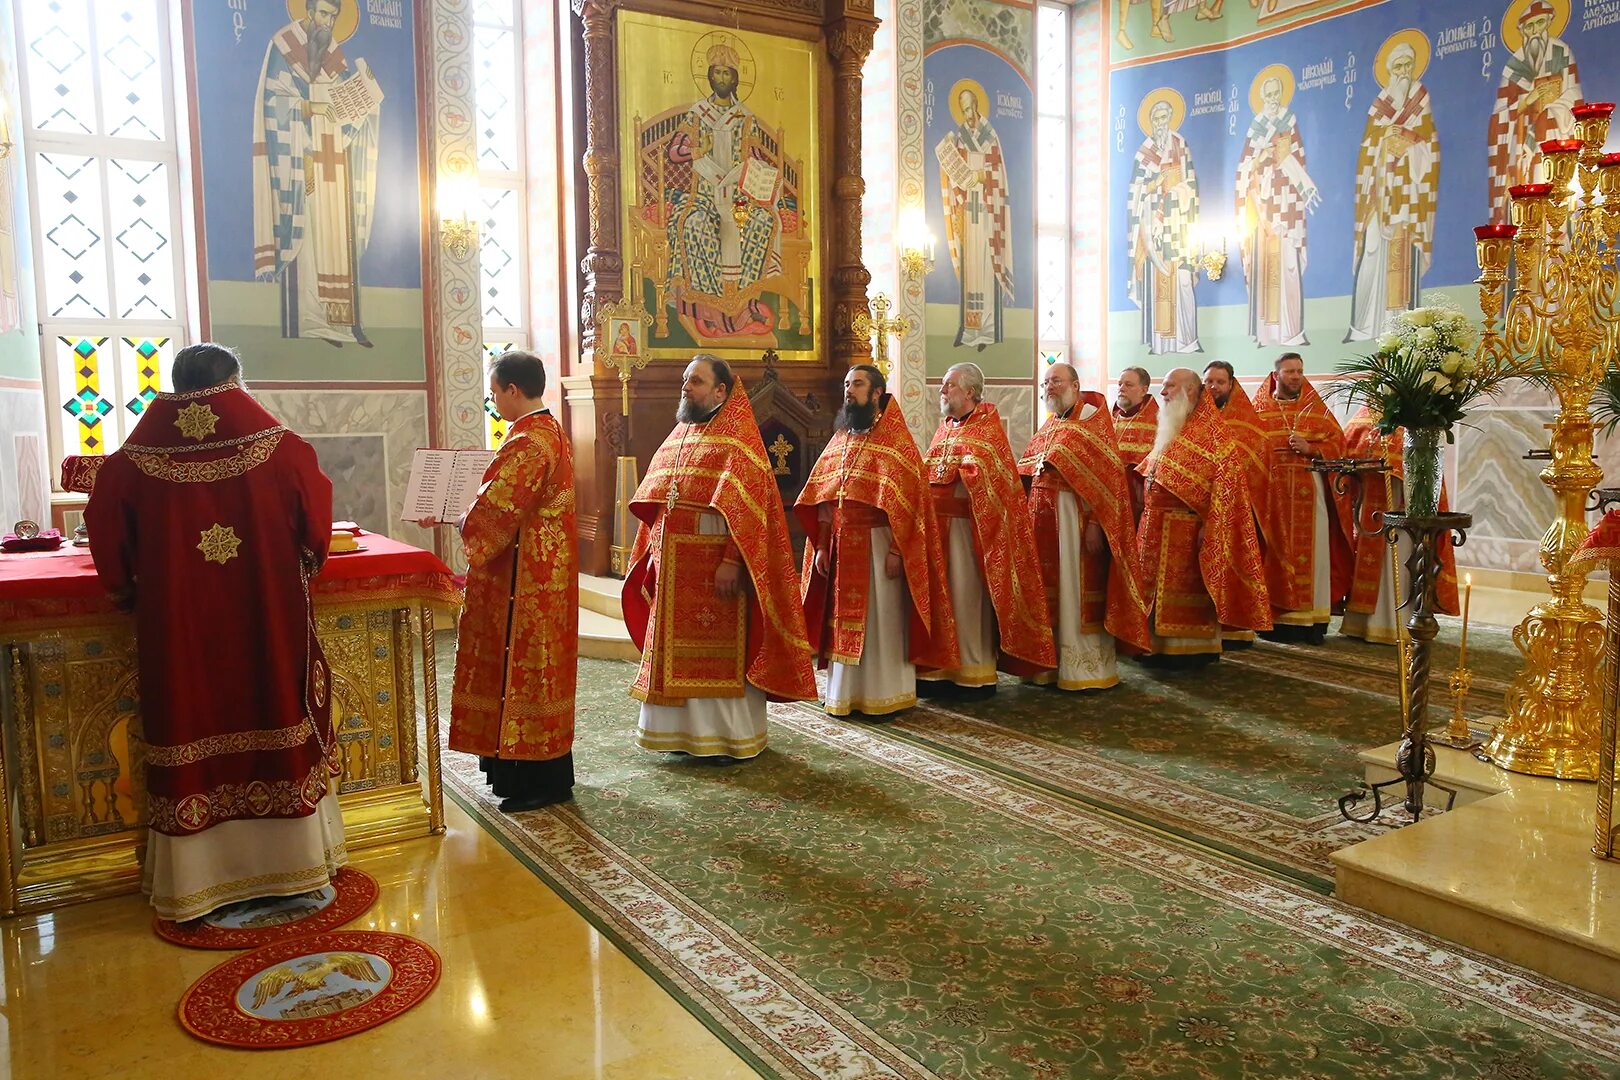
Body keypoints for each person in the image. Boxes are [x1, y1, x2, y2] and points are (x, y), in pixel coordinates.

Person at [83, 343, 345, 922]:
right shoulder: (282, 450)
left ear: (175, 389)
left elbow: (105, 537)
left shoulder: (131, 463)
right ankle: (292, 865)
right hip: (266, 620)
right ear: (234, 383)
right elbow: (316, 530)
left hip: (177, 629)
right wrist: (298, 561)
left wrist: (128, 590)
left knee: (187, 713)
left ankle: (198, 880)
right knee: (273, 704)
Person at [623, 355, 816, 759]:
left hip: (715, 568)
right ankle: (679, 735)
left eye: (695, 380)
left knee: (720, 656)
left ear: (720, 391)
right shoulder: (680, 435)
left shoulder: (738, 441)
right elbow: (658, 501)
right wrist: (652, 554)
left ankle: (727, 738)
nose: (685, 387)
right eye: (684, 379)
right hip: (673, 567)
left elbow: (748, 514)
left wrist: (731, 560)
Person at [430, 351, 578, 813]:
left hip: (528, 576)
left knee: (526, 671)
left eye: (495, 392)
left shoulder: (531, 442)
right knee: (528, 670)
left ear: (514, 390)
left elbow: (498, 508)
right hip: (533, 567)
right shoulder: (544, 431)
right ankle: (516, 775)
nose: (494, 401)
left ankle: (541, 781)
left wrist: (455, 519)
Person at [796, 365, 958, 717]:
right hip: (841, 543)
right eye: (846, 384)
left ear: (875, 393)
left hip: (879, 545)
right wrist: (823, 543)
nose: (849, 391)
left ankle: (887, 694)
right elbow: (823, 500)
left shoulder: (896, 443)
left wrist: (899, 550)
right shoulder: (840, 440)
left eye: (857, 384)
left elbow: (913, 505)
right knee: (840, 622)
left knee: (882, 622)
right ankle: (845, 693)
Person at [920, 362, 1055, 694]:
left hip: (969, 534)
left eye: (949, 385)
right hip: (938, 532)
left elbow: (998, 483)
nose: (942, 390)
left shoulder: (988, 429)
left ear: (969, 392)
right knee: (941, 602)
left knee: (967, 600)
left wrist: (968, 472)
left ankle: (972, 672)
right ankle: (936, 671)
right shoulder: (945, 428)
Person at [253, 0, 381, 347]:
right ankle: (309, 319)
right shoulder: (284, 45)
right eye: (323, 13)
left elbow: (344, 104)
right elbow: (273, 101)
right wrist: (309, 106)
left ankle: (340, 324)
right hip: (298, 157)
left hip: (334, 163)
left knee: (337, 239)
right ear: (308, 12)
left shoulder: (334, 54)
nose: (327, 22)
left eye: (333, 16)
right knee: (308, 236)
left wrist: (365, 104)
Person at [1019, 363, 1151, 690]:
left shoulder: (1092, 421)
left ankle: (1084, 669)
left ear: (1075, 385)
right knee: (1048, 592)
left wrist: (1095, 523)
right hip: (1043, 523)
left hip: (1074, 520)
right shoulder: (1050, 426)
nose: (1050, 386)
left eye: (1057, 380)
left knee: (1075, 591)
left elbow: (1108, 481)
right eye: (1046, 381)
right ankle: (1048, 665)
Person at [1137, 368, 1271, 661]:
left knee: (1185, 594)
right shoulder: (1172, 425)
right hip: (1155, 526)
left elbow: (1228, 488)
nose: (1162, 393)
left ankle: (1190, 650)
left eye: (1169, 387)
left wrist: (1211, 527)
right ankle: (1155, 646)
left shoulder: (1214, 435)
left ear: (1189, 391)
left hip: (1186, 529)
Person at [1253, 353, 1354, 643]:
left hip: (1311, 496)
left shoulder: (1315, 409)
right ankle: (1275, 620)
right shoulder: (1259, 410)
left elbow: (1339, 442)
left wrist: (1311, 448)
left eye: (1299, 371)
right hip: (1273, 497)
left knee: (1315, 556)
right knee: (1274, 553)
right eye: (1289, 372)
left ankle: (1313, 622)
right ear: (1276, 375)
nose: (1295, 376)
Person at [1340, 403, 1460, 643]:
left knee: (1400, 561)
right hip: (1370, 507)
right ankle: (1361, 624)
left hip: (1402, 506)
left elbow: (1416, 459)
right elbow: (1347, 446)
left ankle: (1398, 624)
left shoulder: (1413, 417)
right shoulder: (1363, 415)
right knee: (1373, 558)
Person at [1346, 38, 1439, 342]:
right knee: (1372, 250)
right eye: (1397, 66)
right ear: (1388, 70)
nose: (1403, 72)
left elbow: (1430, 147)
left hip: (1408, 198)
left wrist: (1409, 145)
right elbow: (1366, 150)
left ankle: (1399, 328)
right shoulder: (1380, 106)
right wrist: (1385, 143)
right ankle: (1364, 325)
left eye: (1407, 65)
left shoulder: (1421, 100)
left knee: (1403, 256)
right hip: (1379, 194)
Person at [1236, 70, 1319, 347]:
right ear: (1261, 98)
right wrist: (1261, 156)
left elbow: (1299, 159)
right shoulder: (1255, 127)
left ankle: (1291, 331)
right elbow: (1244, 170)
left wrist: (1283, 157)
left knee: (1288, 266)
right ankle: (1267, 334)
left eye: (1276, 94)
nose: (1272, 100)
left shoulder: (1289, 121)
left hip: (1287, 205)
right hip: (1261, 210)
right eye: (1268, 95)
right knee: (1265, 270)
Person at [935, 81, 1014, 349]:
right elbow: (954, 175)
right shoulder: (959, 137)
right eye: (963, 110)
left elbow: (998, 173)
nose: (968, 114)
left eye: (970, 108)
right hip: (969, 211)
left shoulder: (990, 135)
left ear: (977, 107)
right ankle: (971, 330)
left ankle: (988, 331)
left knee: (986, 264)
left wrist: (979, 175)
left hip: (988, 212)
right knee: (971, 271)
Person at [1487, 0, 1581, 219]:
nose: (1535, 31)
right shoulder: (1514, 65)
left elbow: (1574, 95)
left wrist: (1551, 110)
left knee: (1553, 200)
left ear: (1549, 22)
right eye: (1529, 26)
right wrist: (1529, 98)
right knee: (1524, 203)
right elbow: (1499, 116)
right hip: (1520, 147)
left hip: (1554, 136)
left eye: (1540, 23)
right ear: (1522, 31)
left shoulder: (1562, 53)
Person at [1203, 360, 1271, 649]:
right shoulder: (1194, 420)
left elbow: (1257, 463)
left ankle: (1238, 628)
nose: (1213, 387)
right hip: (1206, 509)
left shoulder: (1247, 423)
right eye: (1208, 382)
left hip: (1239, 511)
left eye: (1219, 382)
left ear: (1231, 384)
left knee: (1236, 566)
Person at [1127, 96, 1203, 354]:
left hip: (1178, 227)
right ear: (1150, 122)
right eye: (1156, 119)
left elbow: (1191, 184)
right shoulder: (1144, 152)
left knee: (1182, 281)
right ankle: (1160, 344)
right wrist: (1154, 184)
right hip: (1153, 231)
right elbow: (1136, 192)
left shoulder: (1180, 145)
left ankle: (1186, 341)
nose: (1160, 123)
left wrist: (1173, 192)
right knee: (1156, 285)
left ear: (1170, 119)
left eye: (1164, 118)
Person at [1113, 365, 1158, 525]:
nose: (1121, 389)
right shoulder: (1110, 420)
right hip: (1109, 499)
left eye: (1128, 385)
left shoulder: (1158, 422)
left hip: (1139, 505)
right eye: (1120, 384)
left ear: (1144, 390)